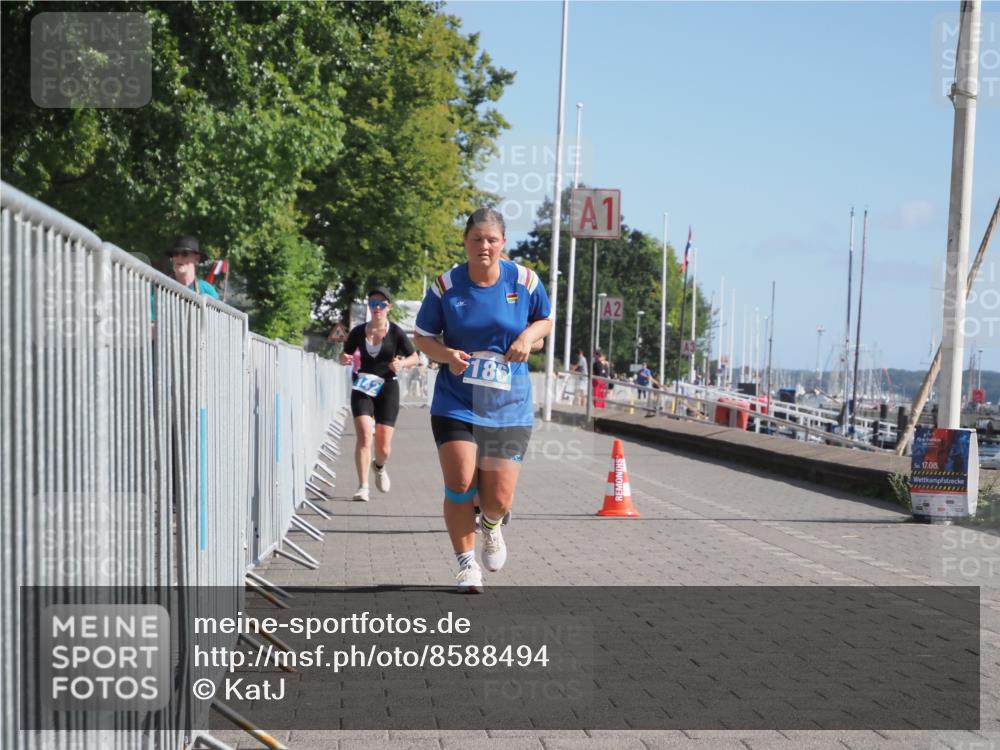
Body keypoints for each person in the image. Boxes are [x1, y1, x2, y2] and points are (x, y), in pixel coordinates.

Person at [414, 208, 552, 593]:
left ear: (503, 242)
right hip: (456, 401)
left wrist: (527, 339)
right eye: (477, 239)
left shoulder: (524, 280)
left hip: (509, 406)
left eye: (492, 240)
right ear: (466, 242)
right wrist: (446, 356)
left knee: (498, 499)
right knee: (459, 482)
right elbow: (422, 336)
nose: (484, 246)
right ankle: (466, 564)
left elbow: (545, 320)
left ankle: (491, 525)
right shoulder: (446, 286)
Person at [340, 287, 419, 502]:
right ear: (369, 306)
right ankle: (363, 486)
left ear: (388, 307)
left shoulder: (396, 333)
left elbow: (415, 358)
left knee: (383, 447)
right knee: (365, 434)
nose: (377, 308)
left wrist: (401, 363)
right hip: (363, 387)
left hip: (388, 387)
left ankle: (379, 466)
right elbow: (344, 354)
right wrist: (345, 359)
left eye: (381, 304)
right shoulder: (358, 332)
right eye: (373, 304)